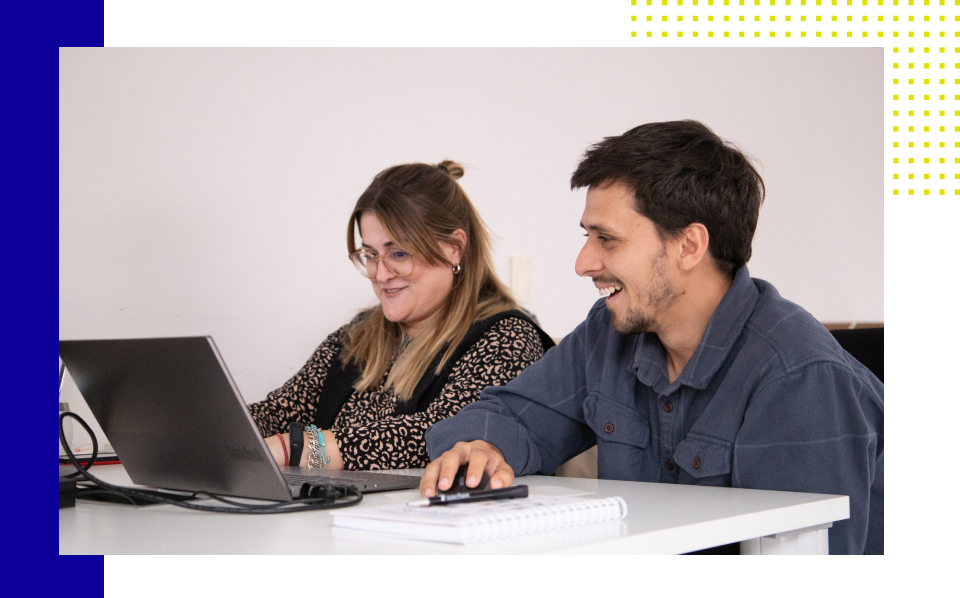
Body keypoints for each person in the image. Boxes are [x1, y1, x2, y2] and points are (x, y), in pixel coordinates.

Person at [422, 122, 884, 555]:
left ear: (689, 246)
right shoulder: (609, 335)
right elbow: (512, 415)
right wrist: (485, 448)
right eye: (587, 236)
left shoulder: (798, 379)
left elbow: (806, 568)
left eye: (607, 239)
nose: (582, 263)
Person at [249, 161, 554, 471]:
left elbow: (443, 437)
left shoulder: (508, 337)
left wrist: (298, 449)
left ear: (454, 248)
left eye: (398, 253)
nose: (380, 274)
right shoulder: (357, 336)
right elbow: (278, 411)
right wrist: (219, 429)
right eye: (370, 255)